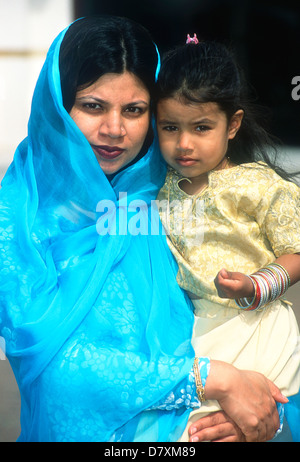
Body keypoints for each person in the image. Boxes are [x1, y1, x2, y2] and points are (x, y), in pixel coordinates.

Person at [0, 17, 286, 442]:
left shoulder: (176, 193)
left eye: (134, 110)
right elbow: (60, 373)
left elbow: (266, 338)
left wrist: (267, 421)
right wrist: (215, 380)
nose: (115, 129)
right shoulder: (20, 217)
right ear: (57, 106)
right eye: (93, 106)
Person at [155, 36, 300, 442]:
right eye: (170, 127)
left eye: (202, 128)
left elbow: (296, 251)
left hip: (255, 322)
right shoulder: (157, 186)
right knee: (198, 429)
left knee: (259, 419)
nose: (184, 143)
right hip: (197, 330)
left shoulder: (256, 186)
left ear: (232, 124)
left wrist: (258, 285)